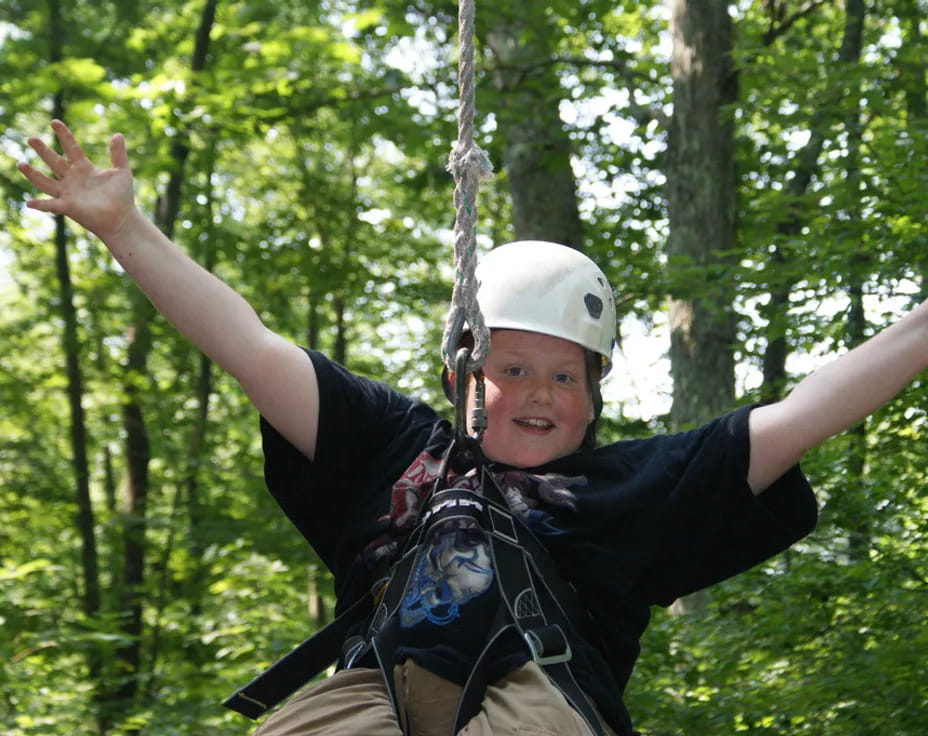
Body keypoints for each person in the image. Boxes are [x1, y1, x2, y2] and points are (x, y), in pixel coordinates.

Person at [18, 120, 928, 736]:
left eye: (565, 375)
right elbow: (251, 349)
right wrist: (126, 229)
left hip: (539, 701)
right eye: (513, 368)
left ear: (595, 392)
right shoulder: (390, 446)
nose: (540, 392)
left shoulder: (632, 488)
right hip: (378, 691)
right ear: (461, 377)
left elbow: (805, 412)